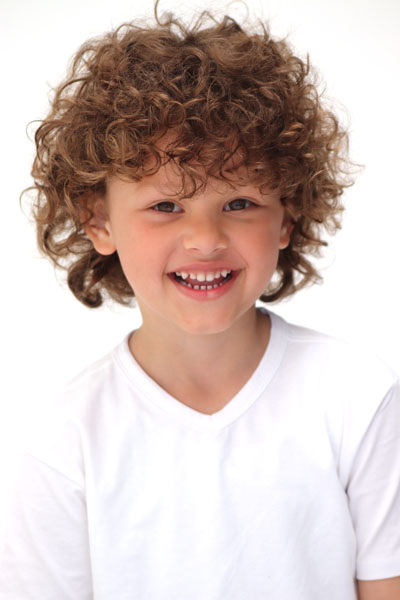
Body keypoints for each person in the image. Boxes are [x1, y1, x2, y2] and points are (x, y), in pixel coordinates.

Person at [0, 7, 399, 600]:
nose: (206, 240)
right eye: (166, 207)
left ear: (286, 215)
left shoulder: (356, 396)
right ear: (98, 220)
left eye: (239, 204)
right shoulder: (63, 438)